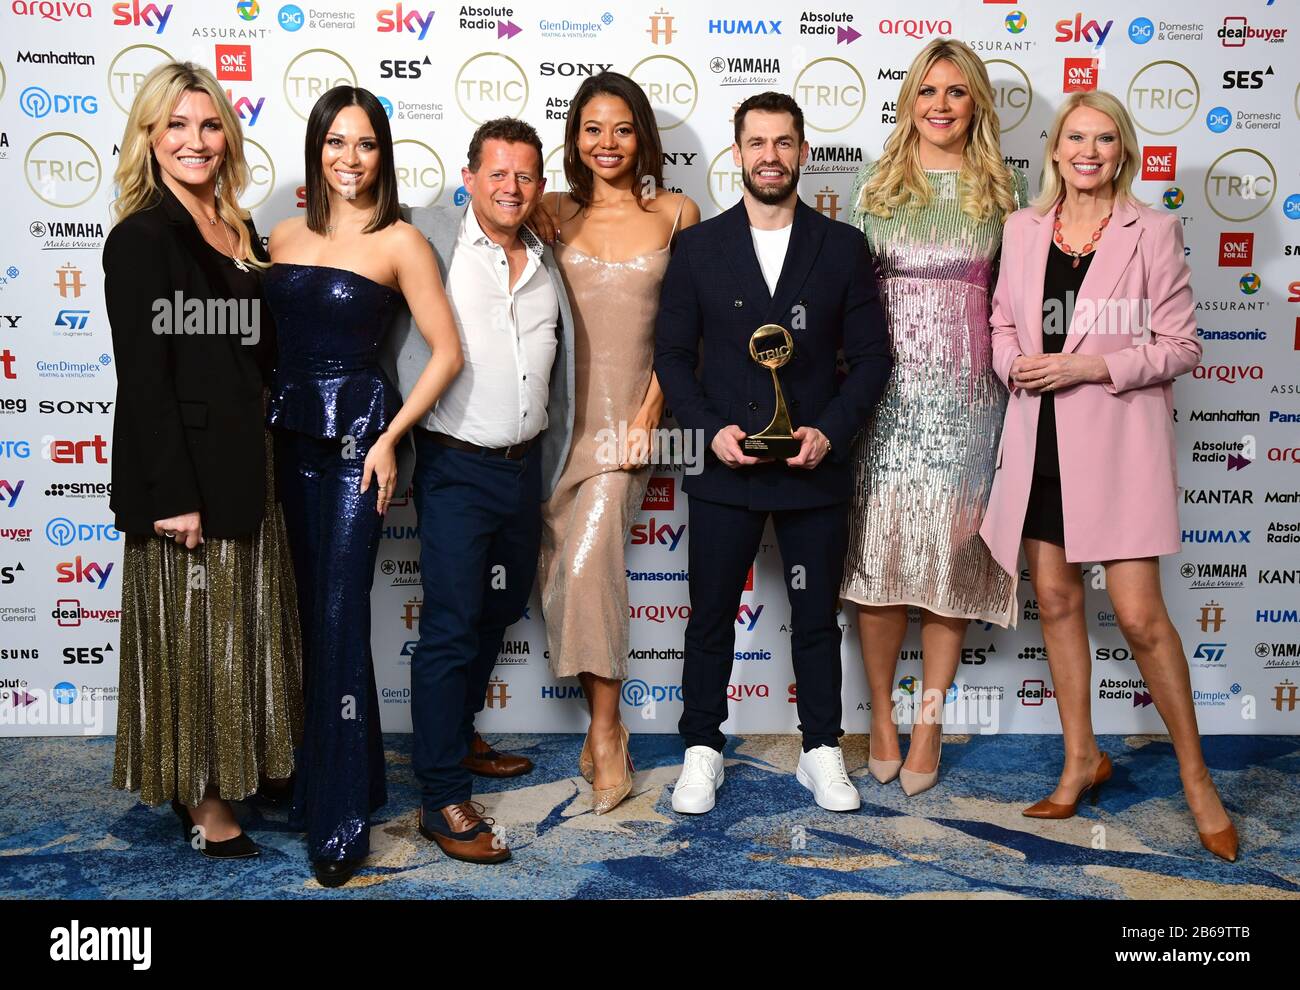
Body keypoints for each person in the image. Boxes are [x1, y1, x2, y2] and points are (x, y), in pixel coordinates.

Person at [979, 90, 1237, 861]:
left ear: (1121, 152)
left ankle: (1196, 778)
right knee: (1056, 601)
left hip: (1117, 447)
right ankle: (1080, 760)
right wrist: (1012, 364)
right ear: (1054, 150)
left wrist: (1095, 365)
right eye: (1074, 138)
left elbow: (1181, 346)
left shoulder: (1152, 230)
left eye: (1104, 139)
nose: (1087, 151)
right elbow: (999, 322)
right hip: (1040, 443)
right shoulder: (1021, 229)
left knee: (1139, 617)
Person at [654, 92, 892, 815]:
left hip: (811, 468)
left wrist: (832, 429)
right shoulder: (698, 248)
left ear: (802, 153)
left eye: (783, 142)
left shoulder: (843, 246)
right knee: (708, 616)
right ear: (737, 154)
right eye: (756, 142)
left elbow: (873, 358)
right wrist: (708, 428)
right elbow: (670, 355)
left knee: (816, 616)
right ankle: (701, 748)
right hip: (724, 466)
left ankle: (821, 749)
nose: (769, 155)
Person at [265, 86, 462, 887]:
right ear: (317, 149)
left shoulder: (401, 242)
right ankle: (341, 783)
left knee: (343, 621)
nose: (351, 158)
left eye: (367, 144)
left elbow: (446, 353)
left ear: (384, 154)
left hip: (357, 444)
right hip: (284, 437)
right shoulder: (278, 235)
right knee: (308, 617)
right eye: (336, 143)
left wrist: (388, 441)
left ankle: (342, 823)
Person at [107, 61, 302, 858]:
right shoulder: (142, 238)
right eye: (177, 126)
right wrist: (173, 494)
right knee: (196, 637)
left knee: (242, 631)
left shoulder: (239, 229)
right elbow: (145, 380)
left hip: (250, 461)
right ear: (149, 139)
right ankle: (202, 798)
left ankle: (244, 767)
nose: (196, 141)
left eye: (210, 124)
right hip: (183, 473)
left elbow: (250, 358)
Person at [383, 118, 575, 863]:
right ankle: (439, 797)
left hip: (524, 468)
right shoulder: (427, 238)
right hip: (455, 465)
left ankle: (458, 737)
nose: (511, 188)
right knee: (452, 626)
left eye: (526, 176)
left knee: (498, 607)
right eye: (496, 173)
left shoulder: (545, 256)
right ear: (468, 178)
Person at [839, 39, 1027, 796]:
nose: (941, 106)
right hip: (886, 402)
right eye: (928, 92)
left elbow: (1017, 308)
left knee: (948, 566)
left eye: (955, 92)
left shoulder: (1004, 191)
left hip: (971, 402)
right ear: (909, 100)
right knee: (882, 563)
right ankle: (882, 716)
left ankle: (930, 723)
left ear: (975, 102)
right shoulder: (873, 185)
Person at [531, 72, 700, 815]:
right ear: (574, 139)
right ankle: (600, 724)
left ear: (643, 139)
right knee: (562, 570)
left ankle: (608, 733)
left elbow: (689, 330)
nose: (607, 143)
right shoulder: (550, 212)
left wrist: (648, 418)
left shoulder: (676, 213)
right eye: (592, 129)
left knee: (595, 557)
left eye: (622, 129)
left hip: (629, 426)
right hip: (550, 428)